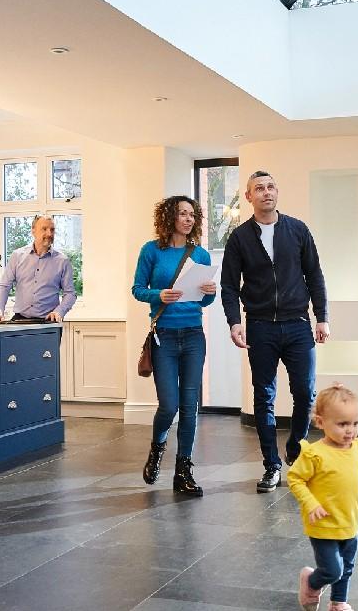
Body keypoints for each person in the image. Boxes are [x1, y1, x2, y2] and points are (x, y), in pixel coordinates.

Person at [221, 170, 330, 493]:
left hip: (297, 324)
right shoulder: (240, 238)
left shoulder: (297, 230)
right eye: (259, 188)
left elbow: (315, 275)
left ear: (277, 192)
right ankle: (271, 465)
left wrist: (321, 317)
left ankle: (296, 449)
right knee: (264, 397)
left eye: (270, 187)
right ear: (249, 197)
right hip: (260, 327)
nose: (266, 192)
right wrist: (234, 321)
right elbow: (229, 285)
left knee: (305, 393)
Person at [288, 384, 358, 611]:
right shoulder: (314, 453)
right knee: (332, 570)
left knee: (346, 568)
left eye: (355, 423)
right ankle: (311, 582)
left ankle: (338, 603)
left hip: (350, 522)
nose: (350, 430)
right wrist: (311, 503)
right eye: (342, 424)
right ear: (320, 422)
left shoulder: (356, 448)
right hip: (323, 525)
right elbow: (295, 479)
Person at [132, 196, 217, 496]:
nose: (188, 219)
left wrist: (210, 292)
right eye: (182, 214)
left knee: (189, 406)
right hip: (164, 336)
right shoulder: (151, 250)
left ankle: (183, 470)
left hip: (193, 334)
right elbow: (138, 289)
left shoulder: (201, 254)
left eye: (192, 215)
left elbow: (205, 300)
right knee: (169, 405)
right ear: (169, 217)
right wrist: (160, 295)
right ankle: (157, 450)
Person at [0, 214, 76, 322]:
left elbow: (70, 293)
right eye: (44, 229)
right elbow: (4, 286)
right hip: (20, 320)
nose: (49, 233)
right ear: (33, 231)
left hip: (48, 321)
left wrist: (59, 311)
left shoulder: (63, 261)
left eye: (52, 230)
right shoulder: (17, 256)